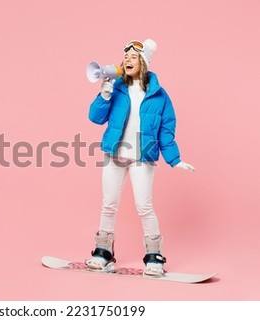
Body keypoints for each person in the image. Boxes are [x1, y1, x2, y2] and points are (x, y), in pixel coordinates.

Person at [86, 39, 195, 277]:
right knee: (109, 204)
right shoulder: (115, 88)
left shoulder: (159, 95)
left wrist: (175, 159)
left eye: (133, 57)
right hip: (115, 153)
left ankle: (154, 256)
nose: (127, 61)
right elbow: (95, 118)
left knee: (144, 206)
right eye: (125, 57)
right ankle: (103, 252)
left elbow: (166, 129)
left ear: (143, 62)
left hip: (142, 157)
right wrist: (103, 96)